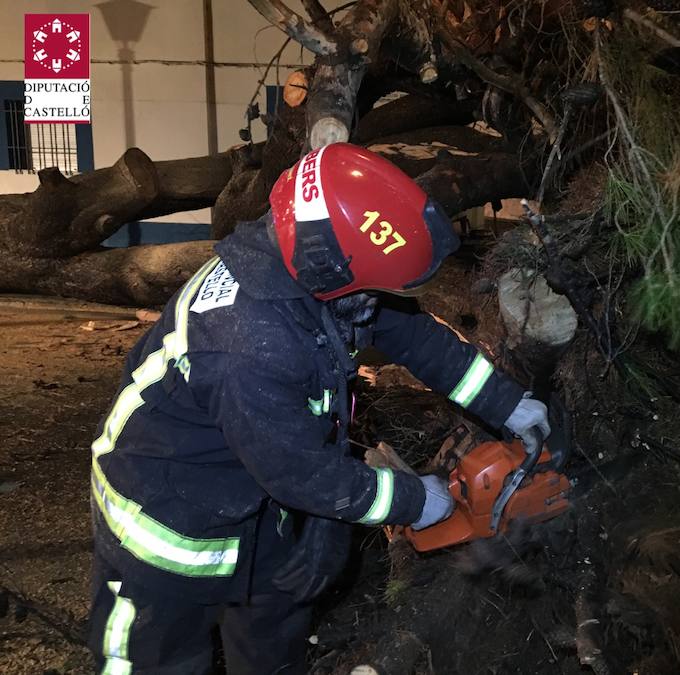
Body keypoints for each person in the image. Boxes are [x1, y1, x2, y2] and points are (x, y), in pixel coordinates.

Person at [88, 143, 550, 674]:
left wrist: (506, 403)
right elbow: (296, 470)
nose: (378, 302)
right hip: (162, 517)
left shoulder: (314, 265)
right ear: (334, 272)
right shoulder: (247, 342)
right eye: (375, 290)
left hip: (258, 494)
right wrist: (414, 500)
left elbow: (415, 337)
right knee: (157, 660)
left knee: (272, 641)